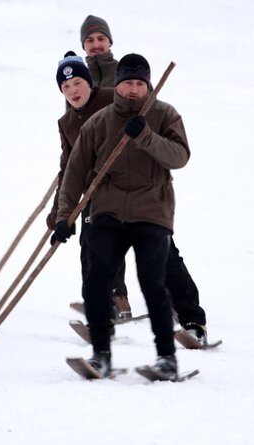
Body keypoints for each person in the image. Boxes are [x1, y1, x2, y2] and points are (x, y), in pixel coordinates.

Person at [51, 53, 190, 379]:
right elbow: (74, 173)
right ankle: (101, 355)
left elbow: (180, 156)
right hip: (108, 210)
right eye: (127, 83)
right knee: (96, 279)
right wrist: (63, 216)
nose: (132, 89)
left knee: (153, 284)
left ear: (148, 86)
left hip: (151, 209)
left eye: (139, 84)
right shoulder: (98, 122)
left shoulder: (165, 115)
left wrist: (146, 136)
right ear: (117, 85)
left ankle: (166, 359)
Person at [46, 52, 133, 320]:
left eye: (77, 83)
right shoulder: (66, 123)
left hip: (128, 182)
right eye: (66, 86)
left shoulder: (109, 98)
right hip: (94, 192)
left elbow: (142, 105)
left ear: (88, 82)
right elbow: (67, 170)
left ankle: (118, 297)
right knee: (89, 243)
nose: (73, 91)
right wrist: (60, 215)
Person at [80, 15, 117, 88]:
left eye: (101, 39)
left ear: (109, 42)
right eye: (90, 40)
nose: (96, 45)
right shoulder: (80, 81)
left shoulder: (125, 74)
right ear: (84, 46)